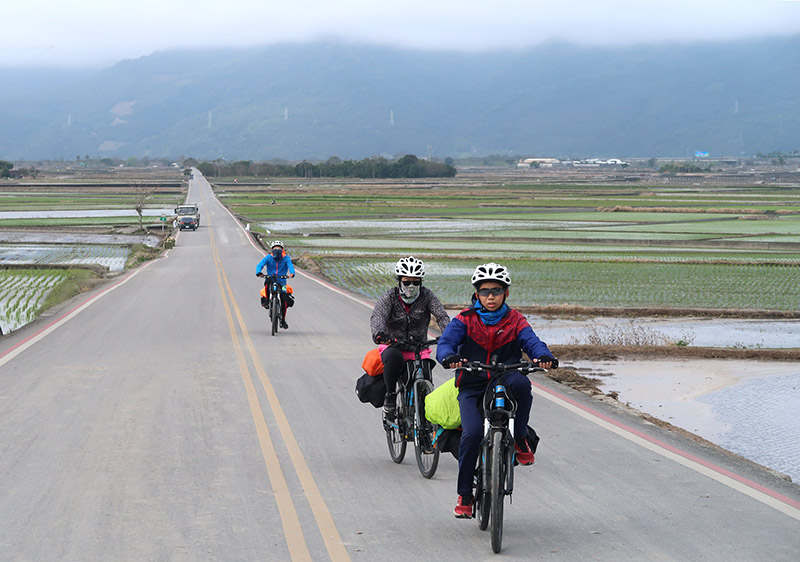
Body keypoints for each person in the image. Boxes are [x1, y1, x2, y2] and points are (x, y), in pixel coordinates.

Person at [436, 262, 557, 519]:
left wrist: (542, 355)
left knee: (523, 383)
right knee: (470, 435)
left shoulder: (515, 320)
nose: (490, 296)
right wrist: (449, 356)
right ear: (476, 294)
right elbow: (446, 342)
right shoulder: (465, 320)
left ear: (506, 293)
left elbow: (532, 341)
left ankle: (520, 438)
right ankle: (465, 495)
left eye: (496, 290)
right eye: (484, 291)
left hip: (506, 378)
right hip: (472, 382)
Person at [370, 256, 451, 416]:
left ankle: (426, 416)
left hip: (418, 347)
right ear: (399, 281)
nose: (411, 286)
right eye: (407, 282)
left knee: (426, 372)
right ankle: (391, 396)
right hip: (394, 345)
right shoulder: (390, 297)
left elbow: (441, 316)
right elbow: (378, 316)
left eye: (416, 282)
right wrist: (380, 334)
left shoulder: (427, 296)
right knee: (393, 358)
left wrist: (449, 334)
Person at [256, 240, 296, 329]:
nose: (277, 250)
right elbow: (260, 265)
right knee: (267, 284)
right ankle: (266, 300)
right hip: (270, 278)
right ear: (272, 250)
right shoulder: (268, 258)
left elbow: (291, 267)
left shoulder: (286, 258)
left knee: (284, 299)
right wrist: (259, 272)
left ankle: (283, 320)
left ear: (282, 250)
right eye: (275, 248)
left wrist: (291, 273)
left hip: (282, 281)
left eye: (279, 248)